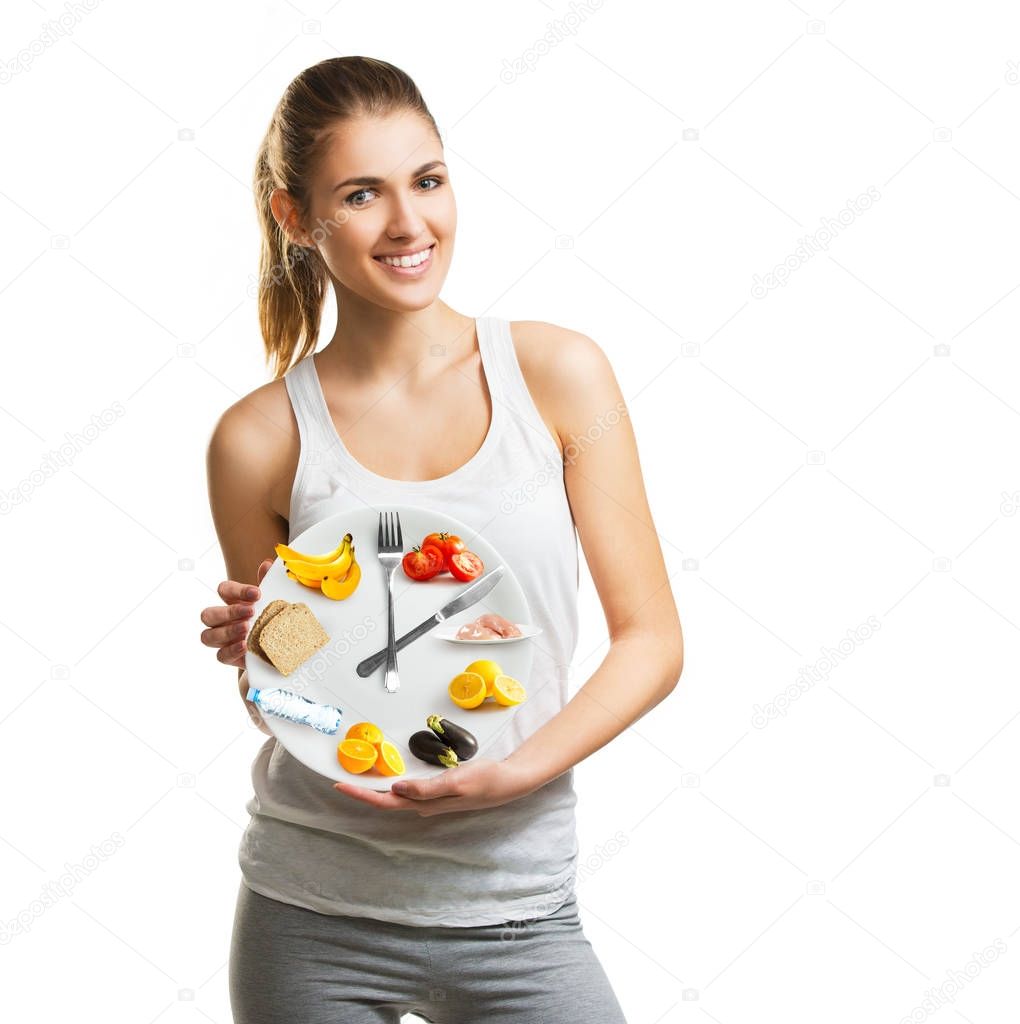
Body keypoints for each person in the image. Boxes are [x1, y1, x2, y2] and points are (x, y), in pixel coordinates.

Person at [200, 55, 684, 1024]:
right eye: (361, 194)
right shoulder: (257, 439)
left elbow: (652, 639)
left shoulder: (558, 375)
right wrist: (273, 646)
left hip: (523, 910)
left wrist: (518, 770)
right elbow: (299, 708)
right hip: (314, 917)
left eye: (427, 180)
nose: (410, 224)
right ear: (298, 218)